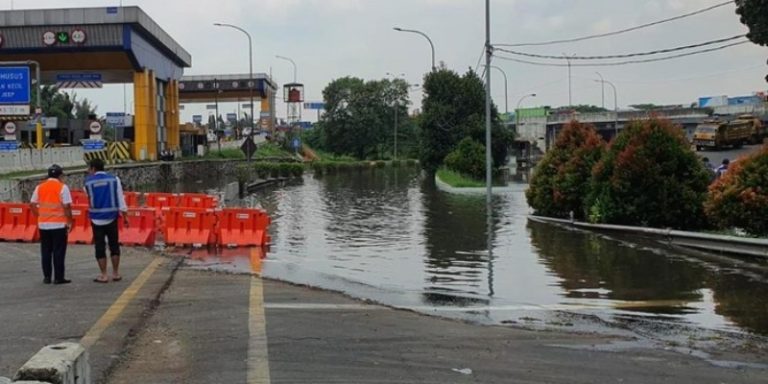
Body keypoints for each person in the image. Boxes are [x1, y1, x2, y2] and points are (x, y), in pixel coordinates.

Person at [84, 158, 129, 283]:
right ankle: (115, 273)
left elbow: (89, 196)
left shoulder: (87, 183)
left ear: (93, 168)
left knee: (100, 246)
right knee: (114, 245)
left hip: (96, 219)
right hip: (112, 217)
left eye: (89, 169)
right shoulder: (115, 180)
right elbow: (121, 199)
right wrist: (125, 216)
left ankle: (103, 275)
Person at [30, 164, 73, 285]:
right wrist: (70, 221)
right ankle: (59, 277)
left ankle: (47, 277)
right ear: (60, 176)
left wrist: (39, 216)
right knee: (58, 251)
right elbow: (66, 206)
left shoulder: (40, 187)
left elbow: (32, 204)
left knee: (46, 251)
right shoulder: (62, 187)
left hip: (43, 224)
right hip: (58, 225)